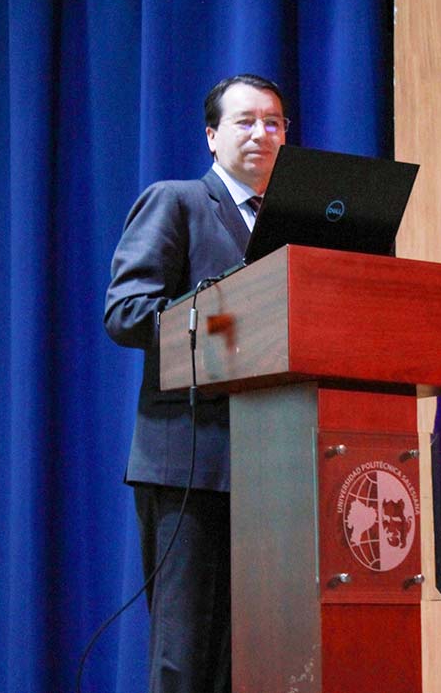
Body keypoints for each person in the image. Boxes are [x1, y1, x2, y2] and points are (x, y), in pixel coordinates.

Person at [104, 73, 288, 693]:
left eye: (274, 122)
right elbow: (127, 312)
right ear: (212, 137)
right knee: (187, 660)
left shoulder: (296, 231)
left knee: (259, 661)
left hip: (278, 468)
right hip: (191, 462)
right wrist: (224, 311)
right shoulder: (177, 201)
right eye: (245, 121)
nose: (262, 132)